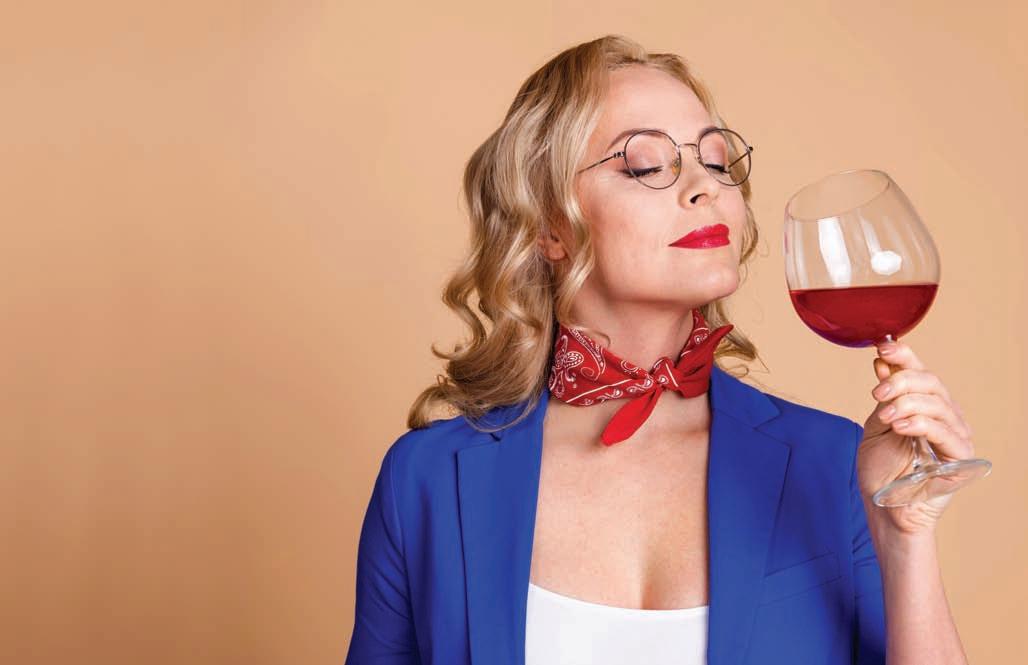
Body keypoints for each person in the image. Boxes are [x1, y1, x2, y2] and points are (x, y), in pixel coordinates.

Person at [344, 34, 974, 665]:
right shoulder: (425, 480)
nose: (705, 187)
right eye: (646, 166)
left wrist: (905, 536)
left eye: (718, 162)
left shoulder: (836, 462)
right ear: (548, 227)